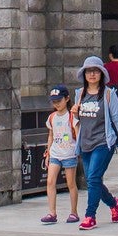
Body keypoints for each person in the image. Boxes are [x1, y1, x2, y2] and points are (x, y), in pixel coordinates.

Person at [73, 58, 118, 228]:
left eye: (96, 70)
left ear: (101, 74)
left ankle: (90, 216)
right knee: (94, 180)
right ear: (84, 74)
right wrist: (75, 114)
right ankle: (114, 203)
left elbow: (116, 118)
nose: (92, 74)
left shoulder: (109, 94)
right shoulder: (79, 94)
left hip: (103, 142)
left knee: (93, 178)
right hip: (85, 142)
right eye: (88, 71)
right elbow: (77, 120)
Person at [40, 85, 78, 223]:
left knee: (71, 183)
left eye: (59, 100)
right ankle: (52, 213)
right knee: (50, 181)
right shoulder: (52, 117)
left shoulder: (72, 117)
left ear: (67, 99)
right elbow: (51, 135)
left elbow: (77, 133)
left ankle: (74, 212)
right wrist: (48, 152)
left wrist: (78, 151)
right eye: (54, 101)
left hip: (69, 153)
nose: (56, 104)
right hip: (55, 153)